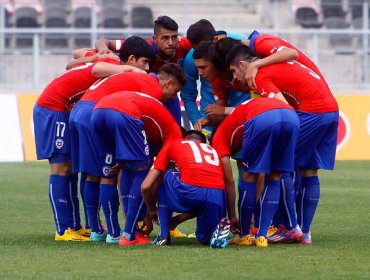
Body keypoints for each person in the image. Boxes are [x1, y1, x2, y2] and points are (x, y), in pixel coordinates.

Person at [227, 44, 339, 244]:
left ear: (243, 65)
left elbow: (282, 107)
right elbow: (292, 54)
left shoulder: (259, 75)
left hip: (312, 111)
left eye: (234, 71)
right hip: (330, 109)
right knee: (308, 169)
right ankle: (304, 232)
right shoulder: (276, 64)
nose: (235, 77)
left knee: (282, 164)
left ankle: (289, 227)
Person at [33, 51, 120, 241]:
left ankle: (75, 226)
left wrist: (91, 57)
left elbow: (73, 61)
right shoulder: (115, 67)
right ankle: (62, 230)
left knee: (71, 169)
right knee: (61, 168)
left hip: (62, 109)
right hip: (52, 107)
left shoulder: (106, 59)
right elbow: (91, 67)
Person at [91, 91, 184, 246]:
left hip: (98, 111)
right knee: (142, 170)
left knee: (121, 169)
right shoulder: (174, 136)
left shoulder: (158, 126)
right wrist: (151, 211)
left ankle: (113, 233)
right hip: (124, 113)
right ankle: (129, 235)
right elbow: (154, 175)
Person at [211, 97, 300, 247]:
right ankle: (262, 237)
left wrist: (232, 215)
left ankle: (245, 235)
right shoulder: (235, 123)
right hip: (291, 117)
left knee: (248, 176)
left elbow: (229, 180)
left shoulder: (218, 137)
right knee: (274, 175)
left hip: (262, 117)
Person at [95, 15, 193, 128]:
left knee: (173, 100)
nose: (171, 42)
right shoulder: (145, 48)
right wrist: (103, 49)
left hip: (166, 94)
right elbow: (103, 41)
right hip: (140, 92)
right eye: (165, 38)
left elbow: (209, 39)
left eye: (174, 37)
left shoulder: (183, 45)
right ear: (155, 39)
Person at [141, 130, 230, 248]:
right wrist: (178, 219)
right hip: (217, 196)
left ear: (184, 140)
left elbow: (145, 186)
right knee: (202, 241)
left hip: (191, 191)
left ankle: (163, 236)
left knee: (164, 174)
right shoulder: (213, 151)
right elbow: (209, 189)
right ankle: (214, 235)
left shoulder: (173, 144)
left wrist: (152, 211)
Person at [181, 19, 248, 135]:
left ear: (215, 40)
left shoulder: (238, 43)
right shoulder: (192, 59)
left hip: (244, 114)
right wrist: (199, 122)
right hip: (212, 116)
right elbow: (187, 96)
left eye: (204, 67)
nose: (200, 53)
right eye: (196, 49)